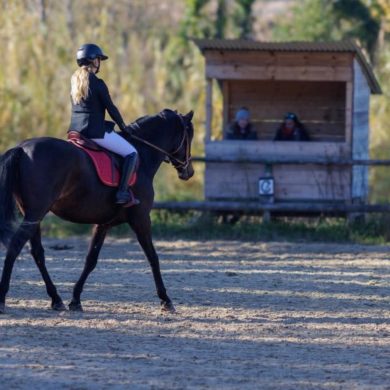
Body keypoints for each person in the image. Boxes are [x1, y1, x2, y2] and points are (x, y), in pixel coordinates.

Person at [68, 43, 139, 206]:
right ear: (93, 60)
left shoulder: (75, 82)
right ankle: (122, 193)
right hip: (94, 132)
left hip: (75, 131)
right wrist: (123, 127)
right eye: (99, 59)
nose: (100, 62)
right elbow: (111, 108)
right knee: (131, 153)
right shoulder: (97, 83)